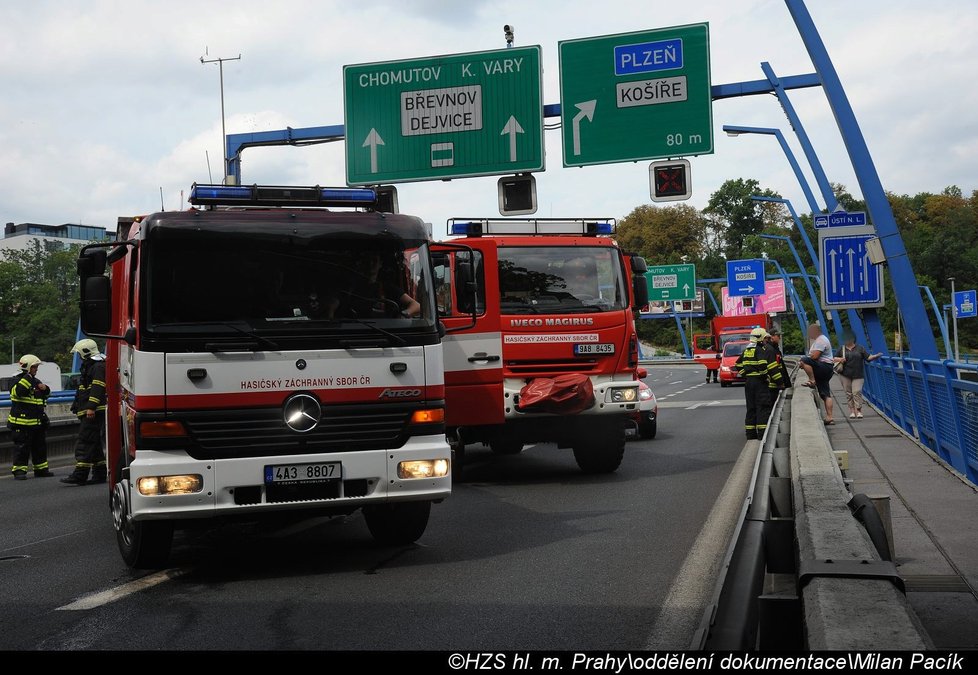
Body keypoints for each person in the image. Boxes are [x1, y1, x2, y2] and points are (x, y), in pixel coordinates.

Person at [61, 339, 108, 486]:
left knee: (85, 441)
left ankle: (80, 474)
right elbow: (83, 389)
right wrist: (77, 406)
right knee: (93, 442)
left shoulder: (97, 367)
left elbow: (98, 387)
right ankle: (100, 472)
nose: (79, 357)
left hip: (94, 410)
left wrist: (91, 407)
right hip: (88, 409)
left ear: (85, 352)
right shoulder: (90, 366)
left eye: (79, 354)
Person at [7, 354, 53, 480]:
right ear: (27, 368)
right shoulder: (16, 379)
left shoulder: (35, 380)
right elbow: (18, 392)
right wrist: (27, 377)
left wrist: (46, 389)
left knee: (40, 447)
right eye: (34, 367)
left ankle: (41, 469)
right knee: (22, 448)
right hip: (22, 422)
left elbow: (45, 396)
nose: (36, 369)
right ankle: (19, 471)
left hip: (37, 421)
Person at [734, 327, 783, 440]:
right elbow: (763, 365)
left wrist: (745, 374)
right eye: (765, 338)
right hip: (759, 383)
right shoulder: (760, 350)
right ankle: (762, 434)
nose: (766, 340)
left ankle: (750, 434)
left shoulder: (747, 350)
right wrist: (764, 376)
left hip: (749, 383)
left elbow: (738, 364)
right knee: (762, 406)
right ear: (760, 338)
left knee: (751, 407)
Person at [344, 251, 420, 318]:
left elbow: (416, 306)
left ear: (380, 264)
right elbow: (334, 304)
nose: (370, 264)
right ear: (362, 263)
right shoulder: (350, 288)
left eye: (374, 260)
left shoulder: (387, 288)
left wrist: (404, 314)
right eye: (367, 260)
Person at [833, 334, 883, 419]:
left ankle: (859, 411)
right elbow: (833, 358)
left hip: (858, 374)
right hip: (845, 374)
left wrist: (876, 356)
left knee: (856, 392)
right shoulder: (842, 348)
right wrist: (840, 359)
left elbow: (868, 357)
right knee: (848, 393)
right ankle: (852, 411)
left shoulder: (860, 348)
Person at [799, 324, 836, 424]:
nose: (809, 333)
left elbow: (814, 356)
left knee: (804, 360)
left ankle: (812, 380)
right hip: (826, 368)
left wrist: (804, 362)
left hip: (824, 367)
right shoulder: (821, 339)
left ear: (816, 331)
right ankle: (830, 417)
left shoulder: (820, 340)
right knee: (825, 393)